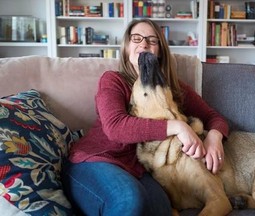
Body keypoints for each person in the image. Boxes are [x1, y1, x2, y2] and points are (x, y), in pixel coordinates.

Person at [62, 19, 229, 216]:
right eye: (137, 38)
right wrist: (178, 127)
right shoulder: (113, 80)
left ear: (160, 51)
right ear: (126, 47)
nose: (144, 44)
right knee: (130, 201)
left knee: (162, 210)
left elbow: (213, 116)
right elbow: (115, 127)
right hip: (96, 160)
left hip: (139, 171)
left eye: (152, 40)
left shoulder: (173, 88)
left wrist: (214, 137)